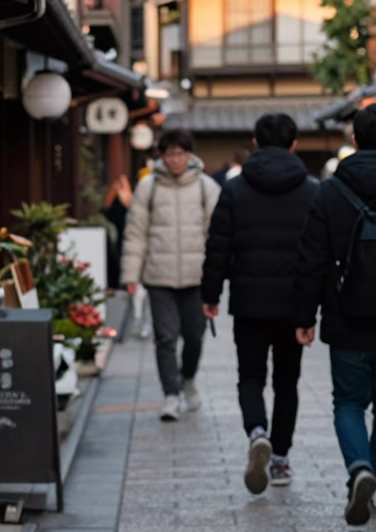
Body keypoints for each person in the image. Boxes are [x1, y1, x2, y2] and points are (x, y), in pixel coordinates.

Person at [201, 113, 318, 493]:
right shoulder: (311, 189)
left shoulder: (235, 189)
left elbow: (218, 246)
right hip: (293, 303)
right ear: (294, 144)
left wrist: (210, 294)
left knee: (250, 377)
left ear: (255, 142)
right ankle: (280, 460)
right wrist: (315, 304)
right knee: (287, 381)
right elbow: (318, 252)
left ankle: (257, 432)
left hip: (249, 303)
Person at [294, 105, 376, 528]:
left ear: (356, 141)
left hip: (346, 316)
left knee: (348, 401)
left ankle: (360, 467)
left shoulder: (330, 191)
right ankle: (371, 472)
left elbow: (310, 259)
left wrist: (304, 316)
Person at [121, 128, 220, 420]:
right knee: (165, 337)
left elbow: (218, 236)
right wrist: (131, 274)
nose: (175, 159)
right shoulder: (148, 188)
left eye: (180, 153)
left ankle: (187, 378)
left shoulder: (206, 188)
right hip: (158, 277)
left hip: (196, 278)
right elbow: (135, 233)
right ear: (161, 156)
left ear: (190, 155)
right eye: (170, 154)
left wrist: (218, 275)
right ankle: (171, 394)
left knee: (194, 337)